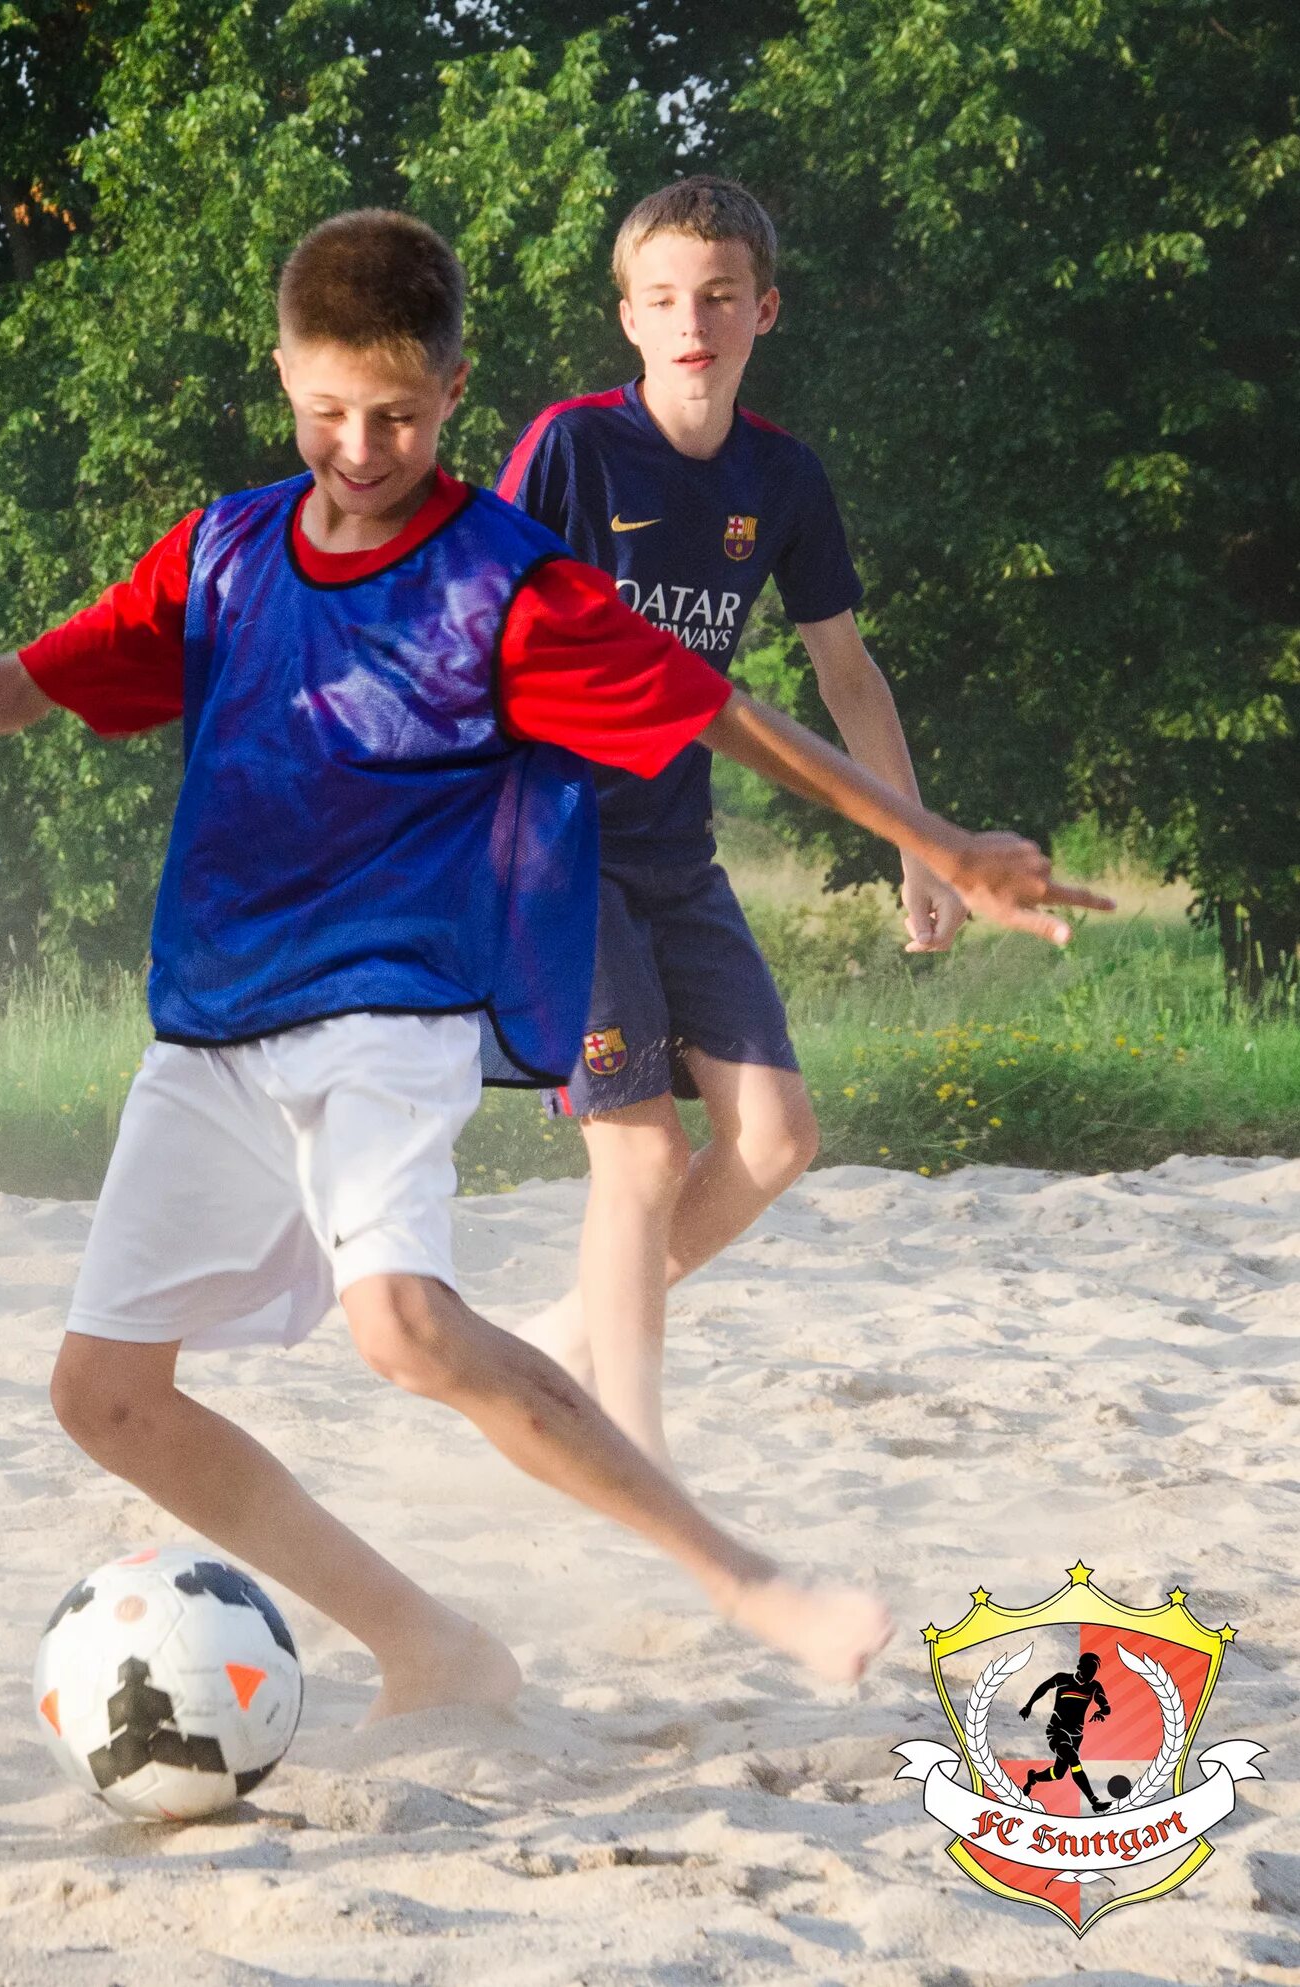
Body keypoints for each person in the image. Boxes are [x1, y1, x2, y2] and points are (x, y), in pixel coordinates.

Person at [0, 210, 1106, 1714]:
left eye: (399, 416)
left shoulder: (510, 580)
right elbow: (41, 675)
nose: (360, 447)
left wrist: (938, 841)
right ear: (286, 373)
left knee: (409, 1325)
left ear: (454, 393)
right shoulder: (226, 548)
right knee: (102, 1395)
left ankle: (749, 1579)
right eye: (326, 412)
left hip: (392, 1010)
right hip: (215, 1022)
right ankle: (429, 1641)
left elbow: (731, 716)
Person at [497, 176, 956, 1469]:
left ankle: (561, 1339)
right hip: (550, 849)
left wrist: (915, 840)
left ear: (766, 308)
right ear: (629, 318)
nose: (691, 319)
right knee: (641, 1161)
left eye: (717, 295)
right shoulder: (572, 450)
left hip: (674, 854)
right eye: (662, 298)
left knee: (777, 1137)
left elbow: (847, 674)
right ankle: (623, 1445)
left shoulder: (783, 477)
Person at [1021, 1652, 1116, 1810]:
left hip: (1076, 1736)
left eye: (1094, 1671)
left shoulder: (1094, 1687)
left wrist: (1101, 1711)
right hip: (1057, 1731)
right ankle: (1094, 1801)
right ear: (1080, 1667)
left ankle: (1034, 1777)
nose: (1092, 1674)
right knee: (1073, 1759)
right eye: (1089, 1669)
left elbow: (1106, 1707)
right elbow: (1044, 1687)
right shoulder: (1063, 1679)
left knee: (1058, 1774)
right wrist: (1029, 1705)